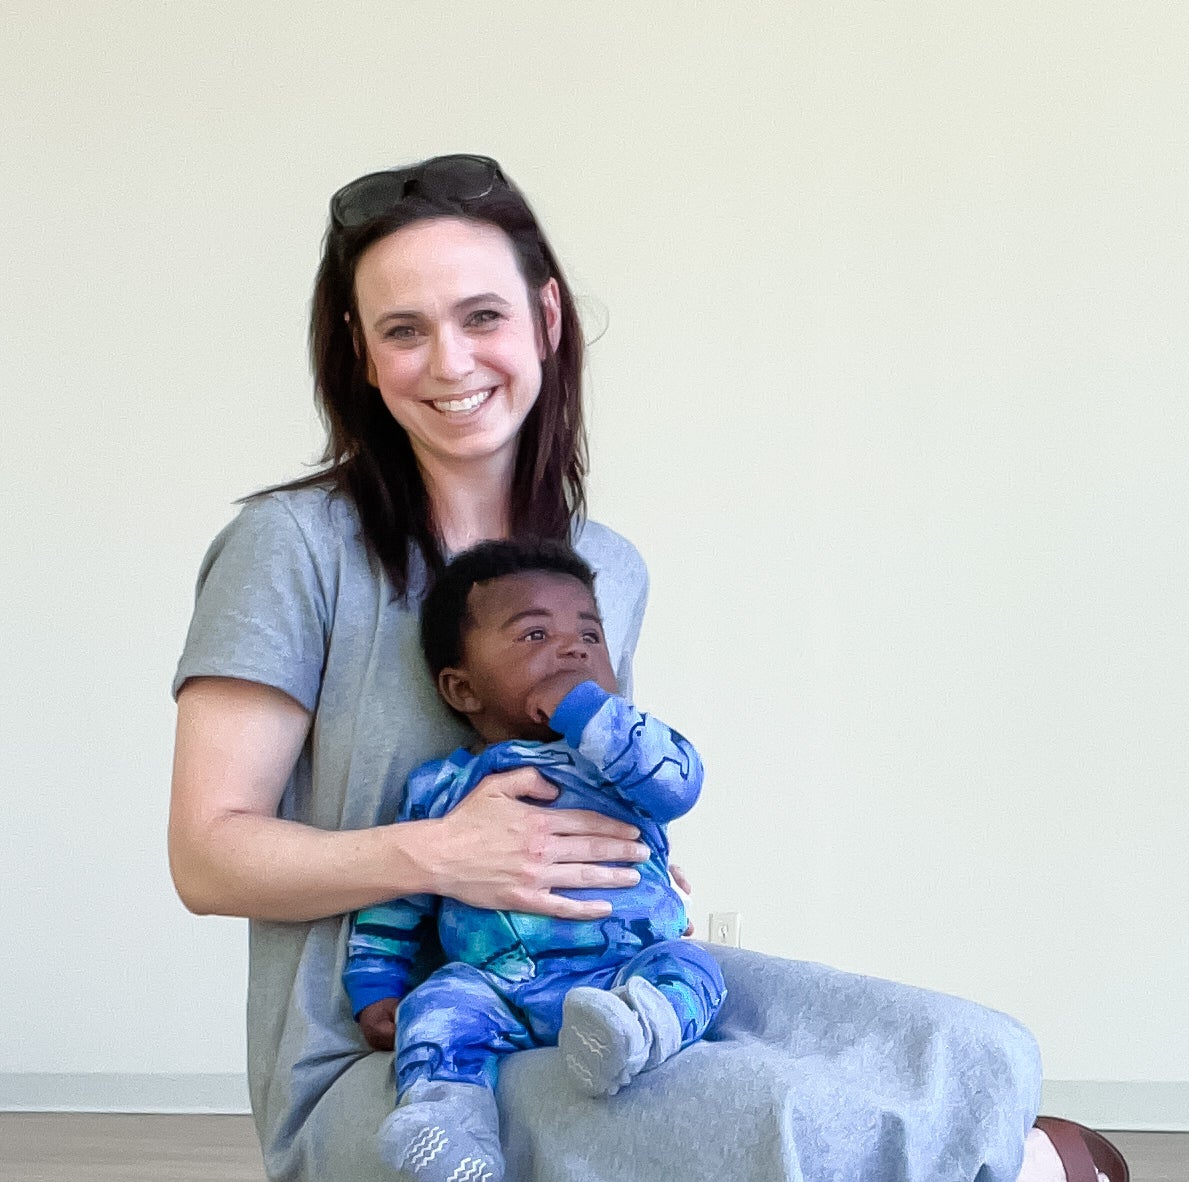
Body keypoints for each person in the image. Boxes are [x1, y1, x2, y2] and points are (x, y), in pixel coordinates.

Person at [167, 153, 1129, 1182]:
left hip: (604, 992)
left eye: (481, 316)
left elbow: (603, 769)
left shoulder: (604, 569)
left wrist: (635, 857)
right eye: (405, 329)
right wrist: (446, 854)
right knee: (811, 1125)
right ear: (361, 354)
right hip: (411, 1061)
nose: (449, 362)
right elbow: (207, 857)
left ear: (544, 319)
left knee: (967, 1054)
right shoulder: (293, 548)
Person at [348, 539, 726, 1182]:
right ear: (462, 688)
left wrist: (586, 712)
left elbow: (680, 781)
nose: (575, 647)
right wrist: (375, 983)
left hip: (622, 970)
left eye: (590, 632)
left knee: (695, 967)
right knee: (438, 1006)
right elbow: (400, 889)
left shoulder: (618, 764)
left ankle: (632, 1035)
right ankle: (445, 1130)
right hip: (500, 987)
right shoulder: (440, 787)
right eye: (534, 634)